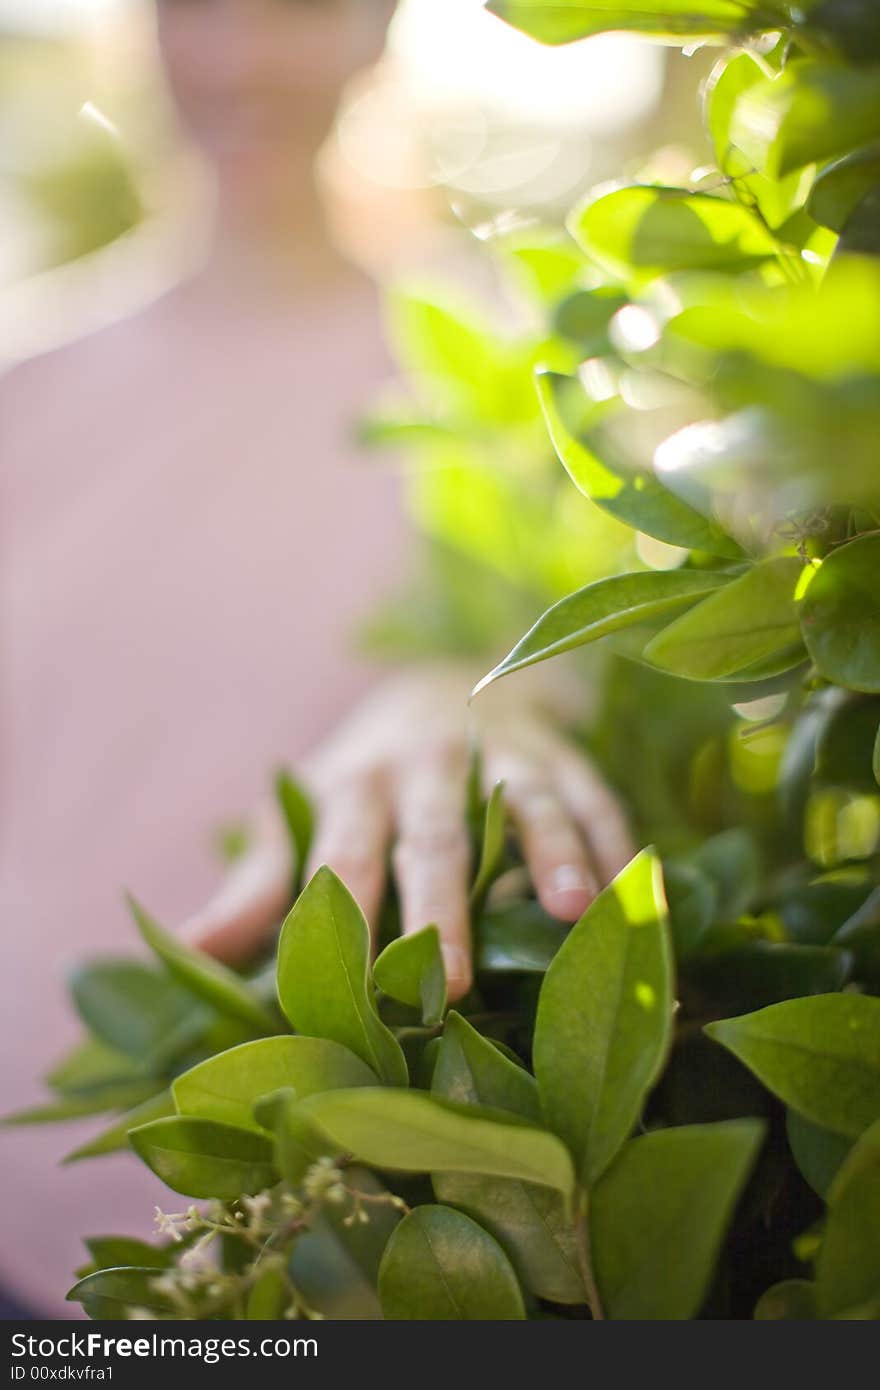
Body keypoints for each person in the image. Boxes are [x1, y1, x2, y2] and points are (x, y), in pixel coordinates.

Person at [0, 0, 633, 1317]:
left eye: (295, 6)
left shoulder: (501, 374)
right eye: (197, 8)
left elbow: (597, 642)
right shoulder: (26, 392)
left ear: (377, 27)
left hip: (322, 1254)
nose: (240, 57)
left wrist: (471, 693)